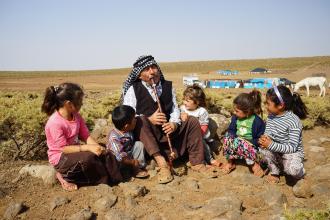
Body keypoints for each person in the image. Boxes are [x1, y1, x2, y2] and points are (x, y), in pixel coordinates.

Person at [122, 55, 216, 184]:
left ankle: (197, 162)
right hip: (149, 137)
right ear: (139, 75)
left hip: (170, 133)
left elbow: (174, 109)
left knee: (192, 121)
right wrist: (150, 119)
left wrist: (174, 124)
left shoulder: (167, 86)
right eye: (147, 69)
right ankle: (162, 164)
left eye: (153, 67)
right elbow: (129, 115)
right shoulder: (133, 89)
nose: (152, 72)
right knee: (140, 120)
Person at [42, 82, 122, 191]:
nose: (81, 104)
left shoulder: (76, 116)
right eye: (79, 102)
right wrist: (88, 148)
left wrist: (97, 147)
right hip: (61, 158)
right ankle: (65, 176)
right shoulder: (55, 123)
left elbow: (85, 136)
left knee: (105, 151)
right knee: (89, 158)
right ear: (69, 104)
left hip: (75, 152)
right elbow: (63, 148)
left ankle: (117, 179)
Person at [259, 85, 308, 184]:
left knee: (292, 170)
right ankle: (275, 171)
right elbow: (268, 132)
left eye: (268, 104)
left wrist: (271, 144)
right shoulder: (271, 116)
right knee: (262, 151)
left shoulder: (293, 121)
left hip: (291, 153)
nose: (266, 106)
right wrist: (265, 139)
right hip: (277, 150)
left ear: (280, 105)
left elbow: (292, 147)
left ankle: (301, 172)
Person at [221, 90, 265, 177]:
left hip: (251, 148)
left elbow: (260, 139)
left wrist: (249, 142)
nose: (234, 113)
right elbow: (231, 130)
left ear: (247, 112)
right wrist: (232, 138)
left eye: (237, 111)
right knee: (227, 137)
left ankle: (254, 165)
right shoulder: (235, 118)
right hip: (238, 144)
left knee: (242, 144)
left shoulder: (257, 121)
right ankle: (230, 162)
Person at [180, 85, 222, 168]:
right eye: (184, 99)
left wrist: (199, 135)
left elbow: (204, 125)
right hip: (186, 135)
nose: (185, 102)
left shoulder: (201, 111)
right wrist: (181, 115)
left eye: (187, 101)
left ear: (197, 102)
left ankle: (209, 159)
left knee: (202, 144)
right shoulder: (182, 108)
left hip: (200, 134)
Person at [107, 105, 149, 178]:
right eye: (134, 119)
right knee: (121, 163)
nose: (136, 120)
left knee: (139, 144)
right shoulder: (114, 138)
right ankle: (133, 170)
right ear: (126, 126)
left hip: (128, 155)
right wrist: (132, 162)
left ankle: (139, 166)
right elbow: (120, 157)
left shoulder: (127, 130)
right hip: (119, 161)